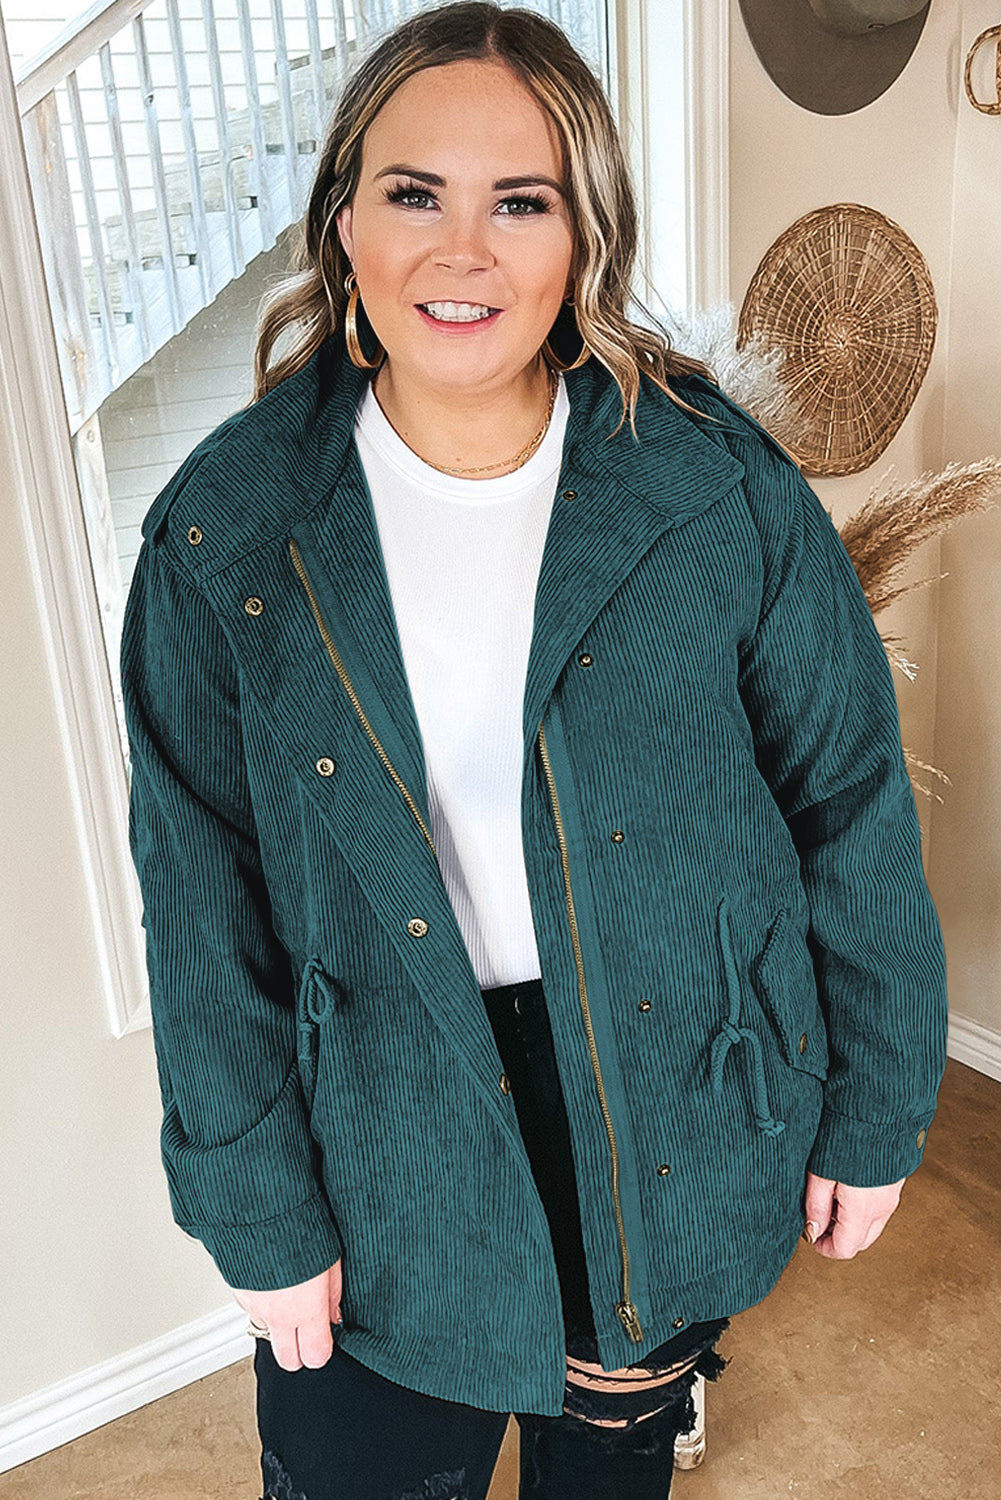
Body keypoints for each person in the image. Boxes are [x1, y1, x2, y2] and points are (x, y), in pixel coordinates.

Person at [118, 4, 950, 1497]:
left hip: (663, 1093)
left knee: (611, 1477)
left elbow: (848, 805)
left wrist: (877, 1108)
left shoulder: (716, 490)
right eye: (413, 193)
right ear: (344, 226)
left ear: (583, 237)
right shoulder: (226, 531)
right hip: (381, 1126)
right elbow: (200, 906)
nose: (464, 252)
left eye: (520, 202)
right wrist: (256, 1210)